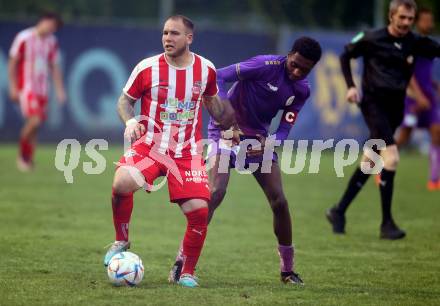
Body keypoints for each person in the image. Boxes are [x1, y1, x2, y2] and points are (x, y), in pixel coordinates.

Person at [168, 37, 322, 285]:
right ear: (289, 54)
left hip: (258, 141)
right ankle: (182, 262)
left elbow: (284, 128)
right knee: (216, 191)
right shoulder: (264, 65)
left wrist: (269, 143)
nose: (297, 71)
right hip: (226, 133)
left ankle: (288, 271)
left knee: (279, 201)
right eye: (295, 64)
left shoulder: (302, 89)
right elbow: (216, 77)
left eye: (305, 69)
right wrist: (227, 119)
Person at [103, 15, 236, 288]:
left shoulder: (205, 69)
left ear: (189, 38)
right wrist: (130, 121)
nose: (167, 38)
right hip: (150, 146)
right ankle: (121, 239)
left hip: (186, 152)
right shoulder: (147, 67)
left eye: (174, 33)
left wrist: (229, 125)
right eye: (165, 33)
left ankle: (185, 272)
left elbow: (212, 102)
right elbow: (124, 101)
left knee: (200, 211)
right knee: (121, 183)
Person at [327, 0, 440, 239]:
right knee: (392, 157)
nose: (407, 23)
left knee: (370, 162)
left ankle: (338, 211)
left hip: (395, 109)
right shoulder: (370, 37)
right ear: (391, 16)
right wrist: (350, 86)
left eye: (410, 19)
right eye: (402, 18)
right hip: (373, 105)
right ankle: (386, 224)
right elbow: (345, 55)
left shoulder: (414, 42)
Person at [8, 12, 66, 171]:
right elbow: (13, 62)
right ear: (43, 21)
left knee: (36, 125)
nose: (51, 29)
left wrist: (60, 89)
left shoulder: (51, 42)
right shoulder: (24, 37)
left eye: (54, 28)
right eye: (51, 25)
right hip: (27, 87)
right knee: (35, 120)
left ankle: (28, 159)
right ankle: (22, 156)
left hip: (43, 89)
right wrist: (13, 86)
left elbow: (54, 67)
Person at [395, 8, 440, 191]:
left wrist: (434, 85)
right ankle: (381, 166)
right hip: (413, 100)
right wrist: (419, 96)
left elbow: (423, 73)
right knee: (405, 136)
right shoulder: (410, 43)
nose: (428, 24)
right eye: (425, 21)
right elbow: (409, 74)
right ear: (417, 22)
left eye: (431, 21)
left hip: (429, 99)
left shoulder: (430, 45)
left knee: (437, 132)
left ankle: (434, 179)